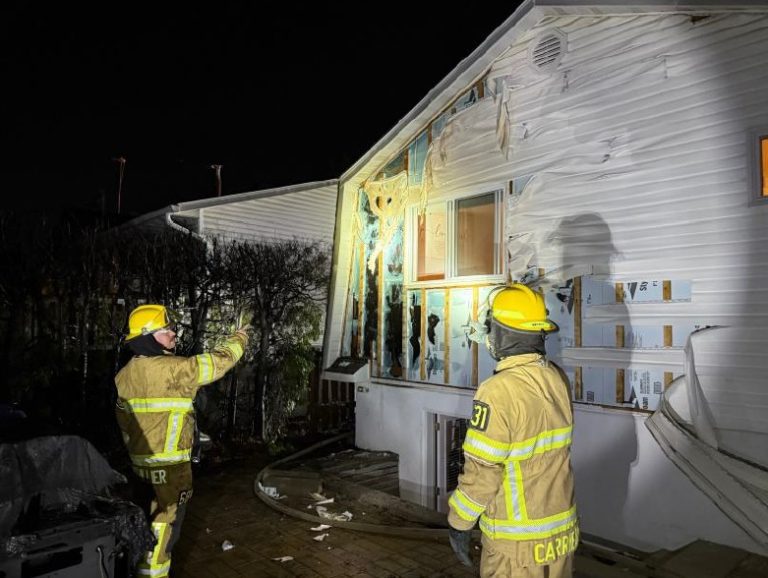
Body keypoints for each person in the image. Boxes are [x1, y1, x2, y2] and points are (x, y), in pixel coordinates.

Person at [447, 284, 577, 577]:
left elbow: (483, 471)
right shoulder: (556, 378)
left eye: (491, 327)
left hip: (517, 547)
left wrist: (459, 523)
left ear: (503, 333)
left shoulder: (497, 390)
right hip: (560, 537)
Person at [115, 304, 249, 578]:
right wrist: (240, 338)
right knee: (163, 536)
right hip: (171, 473)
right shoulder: (176, 369)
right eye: (167, 330)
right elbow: (219, 362)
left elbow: (126, 425)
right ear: (147, 336)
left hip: (140, 471)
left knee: (144, 531)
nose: (174, 334)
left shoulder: (124, 375)